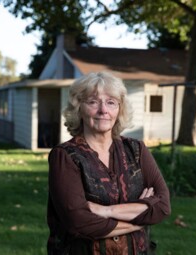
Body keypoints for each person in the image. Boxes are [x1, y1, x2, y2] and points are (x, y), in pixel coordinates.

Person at [47, 71, 171, 255]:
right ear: (78, 108)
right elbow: (79, 223)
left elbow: (162, 207)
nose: (103, 110)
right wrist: (142, 215)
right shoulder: (65, 156)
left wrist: (106, 211)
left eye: (111, 102)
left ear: (119, 110)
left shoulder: (136, 150)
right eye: (93, 102)